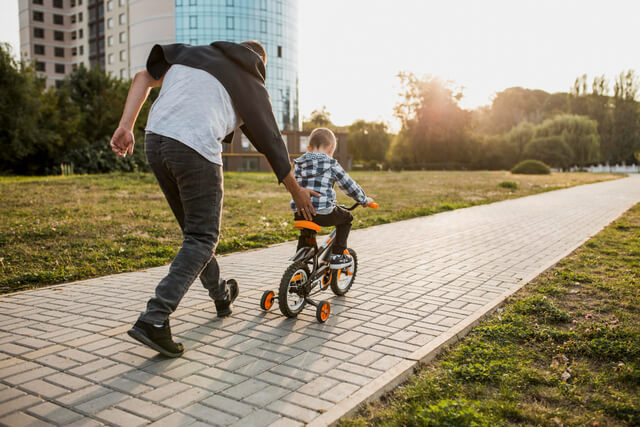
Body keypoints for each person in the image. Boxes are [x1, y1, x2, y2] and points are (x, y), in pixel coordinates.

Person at [110, 40, 318, 358]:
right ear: (259, 63)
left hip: (155, 140)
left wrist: (126, 126)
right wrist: (297, 191)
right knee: (203, 239)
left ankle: (221, 295)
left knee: (194, 235)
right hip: (193, 146)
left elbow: (142, 77)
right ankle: (154, 318)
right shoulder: (250, 80)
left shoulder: (193, 54)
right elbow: (273, 143)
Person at [291, 128, 374, 268]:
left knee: (307, 233)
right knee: (346, 219)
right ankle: (338, 254)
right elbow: (349, 185)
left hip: (300, 211)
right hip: (323, 212)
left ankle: (300, 263)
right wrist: (364, 200)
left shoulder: (299, 163)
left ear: (309, 148)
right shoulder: (331, 164)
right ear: (331, 148)